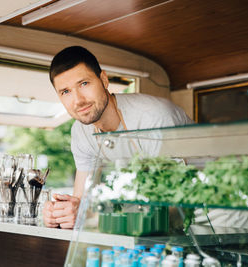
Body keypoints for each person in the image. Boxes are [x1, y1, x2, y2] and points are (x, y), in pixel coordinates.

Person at [43, 46, 192, 229]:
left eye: (84, 84)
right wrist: (61, 214)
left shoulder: (153, 118)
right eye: (65, 92)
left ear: (104, 80)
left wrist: (91, 217)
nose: (78, 100)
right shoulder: (80, 132)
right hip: (141, 226)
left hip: (211, 218)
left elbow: (176, 207)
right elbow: (81, 201)